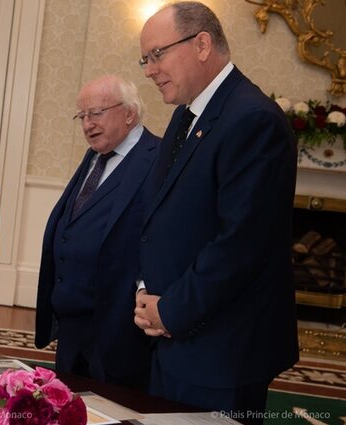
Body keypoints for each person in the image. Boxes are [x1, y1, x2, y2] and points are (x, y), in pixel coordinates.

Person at [134, 2, 298, 421]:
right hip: (172, 338)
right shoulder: (185, 115)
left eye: (157, 55)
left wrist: (169, 311)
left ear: (202, 43)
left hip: (222, 349)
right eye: (145, 59)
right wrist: (145, 292)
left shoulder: (253, 119)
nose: (149, 70)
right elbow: (160, 218)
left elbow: (241, 245)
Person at [34, 76, 158, 390]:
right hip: (72, 326)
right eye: (82, 116)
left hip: (117, 329)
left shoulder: (158, 159)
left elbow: (160, 237)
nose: (87, 124)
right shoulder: (96, 155)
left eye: (96, 113)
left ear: (129, 114)